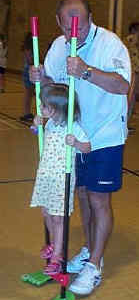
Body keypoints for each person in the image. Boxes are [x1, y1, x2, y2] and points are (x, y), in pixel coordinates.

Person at [30, 0, 131, 295]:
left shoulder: (110, 44)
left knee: (99, 199)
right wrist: (41, 77)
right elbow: (53, 88)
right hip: (73, 136)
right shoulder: (58, 47)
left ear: (90, 17)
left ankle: (95, 266)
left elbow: (123, 85)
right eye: (69, 25)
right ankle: (88, 250)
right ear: (59, 22)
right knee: (85, 196)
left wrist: (86, 71)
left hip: (104, 135)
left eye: (82, 25)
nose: (76, 33)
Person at [30, 82, 91, 275]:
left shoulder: (74, 128)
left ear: (57, 108)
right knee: (47, 213)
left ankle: (57, 255)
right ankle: (55, 244)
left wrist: (76, 143)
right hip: (46, 174)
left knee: (58, 217)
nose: (40, 108)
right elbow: (34, 131)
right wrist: (35, 124)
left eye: (44, 106)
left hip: (61, 178)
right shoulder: (48, 122)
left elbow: (87, 148)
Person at [124, 22, 139, 121]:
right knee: (130, 96)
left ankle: (128, 121)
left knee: (132, 96)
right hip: (132, 71)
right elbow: (130, 56)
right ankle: (125, 121)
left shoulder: (133, 40)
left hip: (135, 70)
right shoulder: (131, 39)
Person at [20, 32, 35, 122]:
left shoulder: (27, 47)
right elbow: (29, 60)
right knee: (28, 94)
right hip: (28, 70)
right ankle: (26, 113)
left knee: (28, 94)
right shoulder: (29, 48)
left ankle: (27, 112)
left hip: (27, 70)